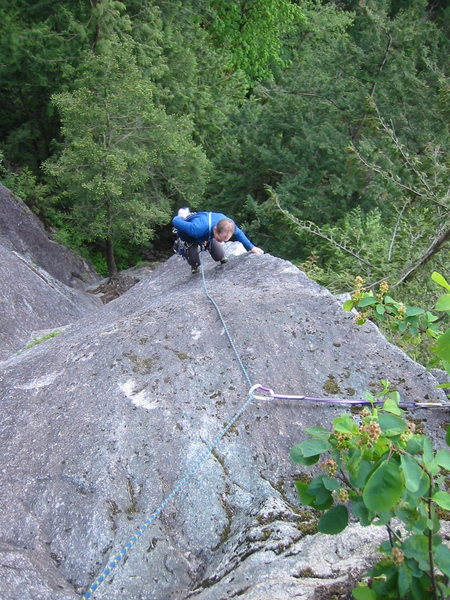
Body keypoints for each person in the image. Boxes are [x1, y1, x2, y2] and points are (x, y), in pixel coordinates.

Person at [172, 208, 264, 273]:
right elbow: (175, 221)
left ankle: (210, 243)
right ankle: (194, 265)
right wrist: (182, 217)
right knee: (195, 262)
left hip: (207, 235)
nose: (221, 242)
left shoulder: (228, 225)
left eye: (224, 240)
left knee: (220, 256)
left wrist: (251, 247)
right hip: (189, 237)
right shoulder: (195, 229)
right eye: (219, 239)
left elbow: (239, 234)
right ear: (215, 229)